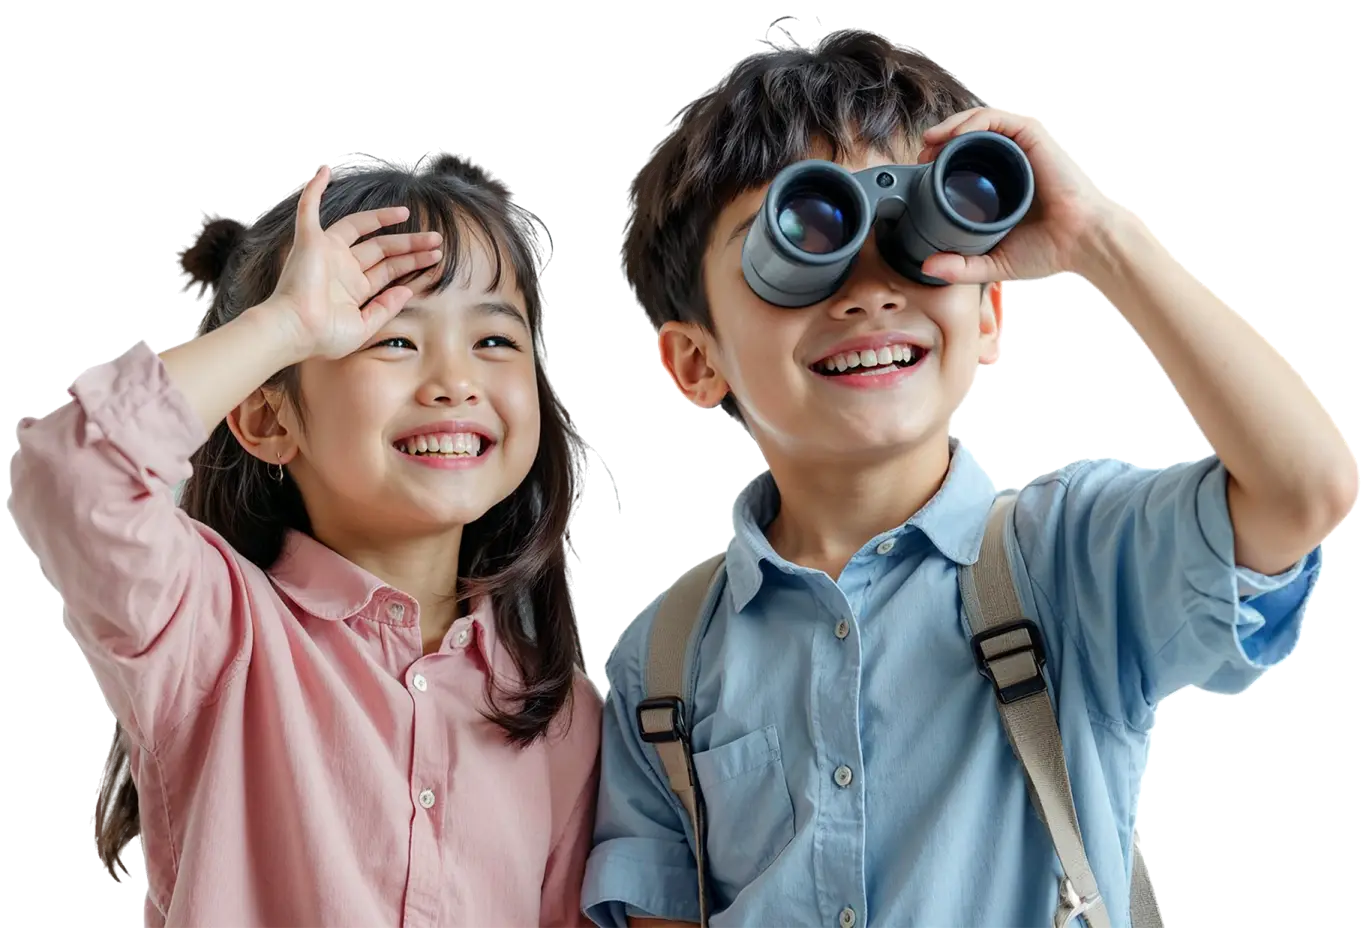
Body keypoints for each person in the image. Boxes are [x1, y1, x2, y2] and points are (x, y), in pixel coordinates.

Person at [581, 29, 1354, 928]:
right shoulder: (662, 660)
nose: (869, 291)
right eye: (800, 241)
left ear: (990, 312)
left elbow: (1306, 488)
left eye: (914, 237)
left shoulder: (1069, 556)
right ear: (693, 361)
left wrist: (1096, 238)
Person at [11, 153, 602, 928]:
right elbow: (74, 473)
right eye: (393, 341)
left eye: (494, 340)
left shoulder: (558, 708)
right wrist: (283, 326)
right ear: (269, 419)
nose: (455, 380)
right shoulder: (216, 633)